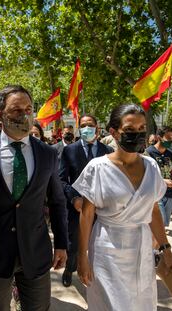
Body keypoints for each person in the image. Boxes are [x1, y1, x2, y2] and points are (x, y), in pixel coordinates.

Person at [75, 104, 172, 310]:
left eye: (142, 129)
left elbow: (153, 210)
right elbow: (86, 215)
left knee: (141, 303)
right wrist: (81, 257)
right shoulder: (98, 167)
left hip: (142, 249)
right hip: (107, 250)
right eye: (130, 130)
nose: (137, 135)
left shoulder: (151, 166)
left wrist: (166, 249)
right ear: (113, 132)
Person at [0, 85, 68, 311]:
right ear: (0, 115)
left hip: (36, 251)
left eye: (29, 109)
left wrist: (63, 245)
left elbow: (56, 201)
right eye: (17, 110)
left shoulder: (47, 153)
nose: (25, 115)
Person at [59, 114, 113, 287]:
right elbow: (61, 180)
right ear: (78, 128)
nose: (87, 128)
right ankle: (70, 269)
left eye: (90, 124)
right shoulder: (70, 150)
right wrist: (74, 198)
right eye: (83, 125)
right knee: (74, 244)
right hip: (77, 208)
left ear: (97, 128)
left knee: (98, 243)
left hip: (102, 209)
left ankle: (98, 274)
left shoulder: (108, 151)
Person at [146, 126, 172, 228]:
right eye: (168, 137)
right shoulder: (148, 153)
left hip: (168, 194)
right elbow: (145, 175)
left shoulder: (171, 155)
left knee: (164, 224)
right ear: (159, 137)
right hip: (154, 195)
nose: (170, 140)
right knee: (158, 224)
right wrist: (163, 181)